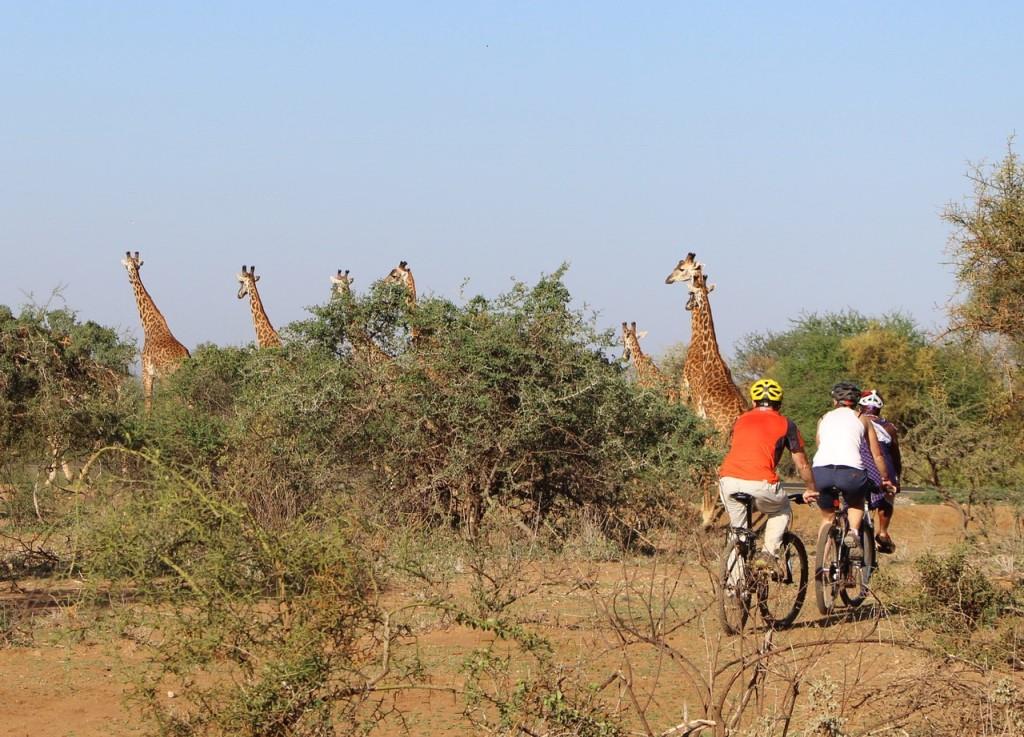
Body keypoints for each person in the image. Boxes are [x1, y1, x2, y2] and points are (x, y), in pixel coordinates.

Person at [719, 378, 817, 577]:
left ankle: (734, 586)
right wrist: (811, 488)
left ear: (753, 402)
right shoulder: (786, 424)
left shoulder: (740, 420)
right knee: (781, 509)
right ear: (779, 404)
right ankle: (768, 554)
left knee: (738, 532)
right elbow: (802, 464)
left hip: (727, 480)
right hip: (761, 482)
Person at [811, 382, 897, 561]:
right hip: (851, 472)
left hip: (821, 471)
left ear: (834, 401)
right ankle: (853, 532)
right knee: (856, 503)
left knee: (827, 518)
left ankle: (820, 565)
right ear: (856, 402)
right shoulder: (862, 419)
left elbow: (819, 444)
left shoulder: (823, 418)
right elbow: (877, 455)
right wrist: (885, 478)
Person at [857, 389, 902, 553]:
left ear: (860, 407)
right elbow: (895, 457)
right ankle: (882, 532)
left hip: (853, 469)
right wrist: (897, 479)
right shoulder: (889, 427)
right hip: (880, 471)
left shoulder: (853, 422)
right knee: (889, 492)